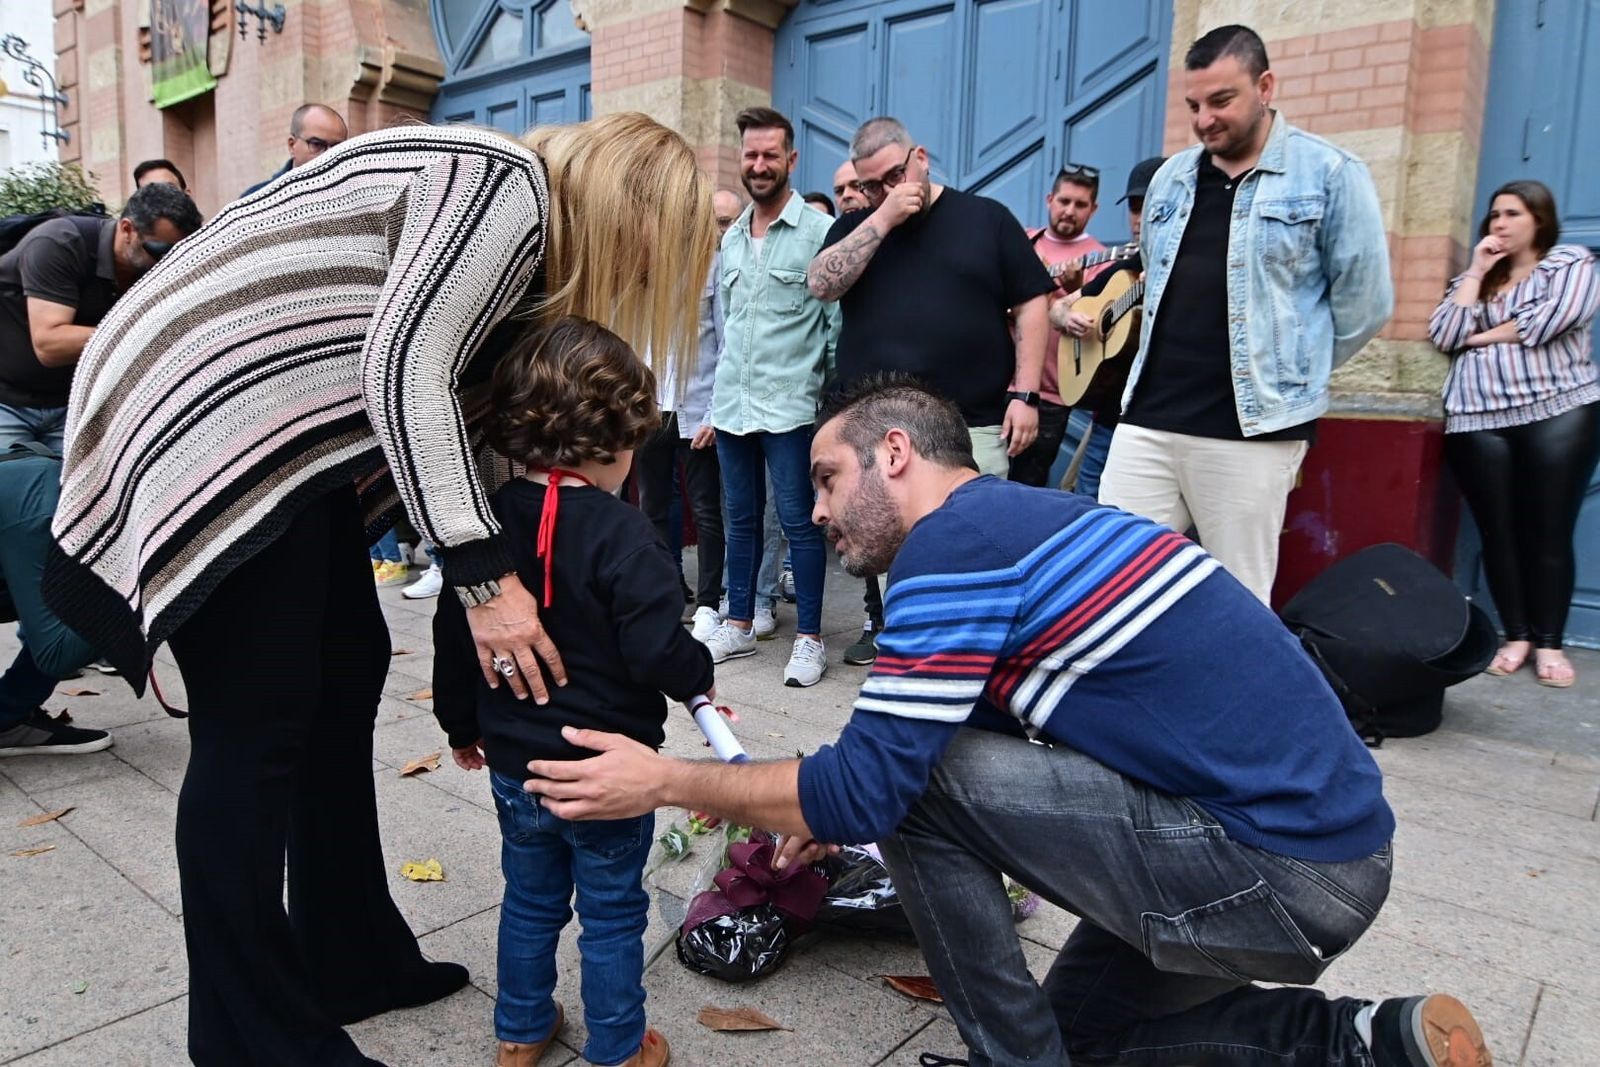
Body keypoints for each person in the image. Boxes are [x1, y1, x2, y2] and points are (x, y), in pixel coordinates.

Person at [518, 375, 1494, 1067]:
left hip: (1272, 869)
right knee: (1077, 1037)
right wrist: (816, 807)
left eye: (823, 477)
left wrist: (666, 779)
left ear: (892, 452)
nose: (812, 511)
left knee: (910, 792)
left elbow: (878, 781)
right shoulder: (1024, 521)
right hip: (1318, 860)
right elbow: (936, 730)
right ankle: (1363, 1042)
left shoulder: (954, 543)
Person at [43, 114, 716, 1067]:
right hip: (210, 415)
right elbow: (405, 371)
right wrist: (486, 580)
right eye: (658, 253)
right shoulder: (503, 188)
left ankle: (348, 951)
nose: (646, 279)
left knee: (345, 669)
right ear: (628, 210)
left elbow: (463, 425)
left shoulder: (512, 241)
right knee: (258, 724)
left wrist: (513, 553)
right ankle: (250, 1037)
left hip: (276, 436)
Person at [432, 317, 709, 1067]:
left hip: (516, 764)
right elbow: (656, 649)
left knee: (527, 900)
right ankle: (618, 1046)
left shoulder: (482, 534)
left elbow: (456, 635)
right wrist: (701, 678)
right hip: (608, 772)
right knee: (613, 913)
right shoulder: (629, 536)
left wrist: (461, 723)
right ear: (624, 440)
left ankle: (520, 1032)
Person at [1099, 24, 1393, 604]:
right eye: (1193, 105)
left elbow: (1366, 305)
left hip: (1251, 433)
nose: (1205, 118)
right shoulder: (1170, 180)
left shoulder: (1329, 173)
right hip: (1147, 421)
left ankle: (1224, 699)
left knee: (1236, 602)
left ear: (1265, 86)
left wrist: (1292, 373)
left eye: (1221, 101)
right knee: (1111, 584)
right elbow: (1158, 286)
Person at [808, 115, 1054, 665]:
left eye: (895, 175)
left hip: (972, 423)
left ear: (921, 156)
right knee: (902, 560)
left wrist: (1027, 394)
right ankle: (913, 658)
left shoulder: (985, 219)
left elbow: (1033, 302)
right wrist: (883, 219)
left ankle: (988, 659)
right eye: (871, 184)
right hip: (881, 436)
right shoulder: (858, 223)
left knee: (980, 544)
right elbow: (821, 284)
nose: (885, 190)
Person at [1428, 179, 1600, 689]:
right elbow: (1442, 334)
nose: (1499, 224)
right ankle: (1517, 635)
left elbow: (1549, 321)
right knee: (1498, 534)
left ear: (1539, 221)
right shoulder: (1475, 279)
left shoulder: (1570, 264)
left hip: (1558, 412)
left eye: (1513, 214)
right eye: (1494, 215)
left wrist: (1477, 336)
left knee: (1547, 532)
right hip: (1478, 420)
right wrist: (1477, 271)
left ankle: (1550, 642)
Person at [704, 107, 839, 687]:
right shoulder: (732, 239)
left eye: (770, 155)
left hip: (789, 407)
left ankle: (809, 639)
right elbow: (729, 328)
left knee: (797, 521)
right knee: (739, 521)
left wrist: (827, 404)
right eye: (750, 155)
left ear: (792, 160)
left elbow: (834, 328)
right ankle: (738, 624)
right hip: (734, 406)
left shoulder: (818, 234)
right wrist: (712, 403)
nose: (759, 165)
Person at [0, 183, 201, 450]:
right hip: (8, 403)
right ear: (127, 229)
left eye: (178, 254)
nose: (167, 263)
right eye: (160, 251)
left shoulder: (151, 266)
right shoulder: (60, 243)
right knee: (18, 484)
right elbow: (49, 343)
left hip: (72, 404)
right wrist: (142, 329)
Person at [1056, 156, 1165, 498]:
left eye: (1149, 204)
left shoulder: (1186, 267)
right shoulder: (1125, 270)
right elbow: (1059, 307)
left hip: (1155, 425)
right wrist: (1066, 318)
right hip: (1108, 417)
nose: (1139, 217)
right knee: (1088, 502)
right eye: (1134, 206)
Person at [635, 241, 725, 643]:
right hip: (651, 408)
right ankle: (665, 593)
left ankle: (707, 604)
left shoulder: (712, 267)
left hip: (697, 409)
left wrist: (714, 415)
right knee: (651, 506)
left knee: (706, 511)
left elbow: (725, 343)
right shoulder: (644, 268)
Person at [0, 443, 110, 757]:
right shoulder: (37, 499)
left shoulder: (52, 484)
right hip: (26, 511)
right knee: (98, 608)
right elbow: (56, 654)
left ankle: (8, 717)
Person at [1008, 163, 1111, 487]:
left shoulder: (1102, 259)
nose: (1070, 211)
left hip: (1049, 398)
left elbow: (1098, 328)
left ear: (1093, 210)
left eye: (1080, 205)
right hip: (997, 386)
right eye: (1064, 201)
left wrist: (1072, 291)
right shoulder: (1023, 241)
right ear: (1049, 199)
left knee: (1027, 487)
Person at [242, 103, 348, 196]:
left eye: (337, 148)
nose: (328, 156)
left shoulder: (354, 200)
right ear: (292, 146)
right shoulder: (254, 201)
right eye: (317, 144)